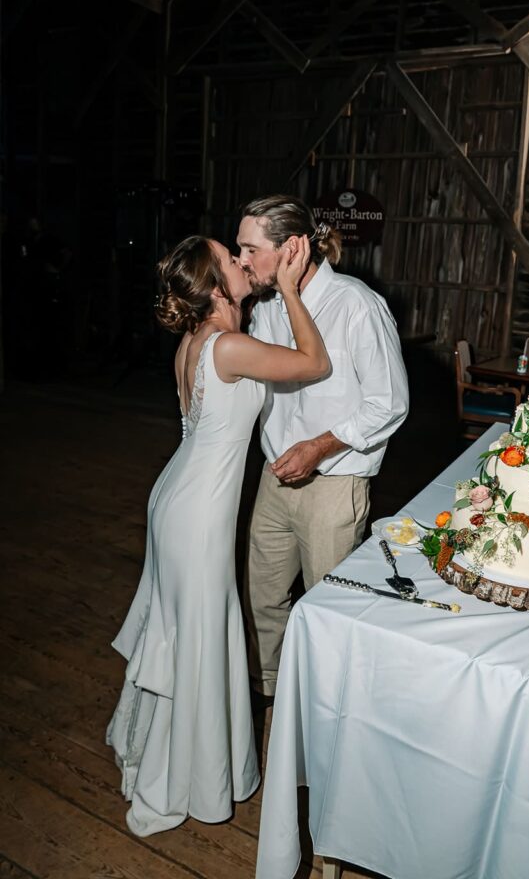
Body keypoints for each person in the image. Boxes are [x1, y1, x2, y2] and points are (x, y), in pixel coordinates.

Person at [106, 233, 328, 838]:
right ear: (212, 286)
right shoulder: (228, 346)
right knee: (199, 638)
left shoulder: (197, 340)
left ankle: (171, 755)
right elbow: (314, 363)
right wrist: (285, 284)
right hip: (197, 513)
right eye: (231, 259)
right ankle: (182, 778)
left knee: (184, 634)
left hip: (175, 497)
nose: (240, 259)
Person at [237, 195, 409, 698]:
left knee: (327, 607)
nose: (243, 259)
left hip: (335, 484)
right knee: (264, 598)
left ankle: (326, 705)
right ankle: (272, 692)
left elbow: (389, 403)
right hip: (274, 477)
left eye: (250, 249)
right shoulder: (266, 308)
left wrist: (319, 447)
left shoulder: (356, 304)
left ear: (291, 248)